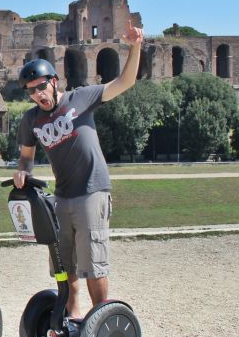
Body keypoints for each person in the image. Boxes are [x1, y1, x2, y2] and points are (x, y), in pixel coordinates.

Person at [12, 19, 144, 320]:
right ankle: (72, 319)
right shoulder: (31, 120)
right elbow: (26, 158)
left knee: (93, 263)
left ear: (54, 81)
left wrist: (135, 47)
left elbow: (124, 83)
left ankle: (100, 321)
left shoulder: (80, 98)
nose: (38, 94)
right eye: (31, 91)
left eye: (41, 87)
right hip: (62, 194)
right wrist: (22, 171)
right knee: (65, 264)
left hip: (92, 190)